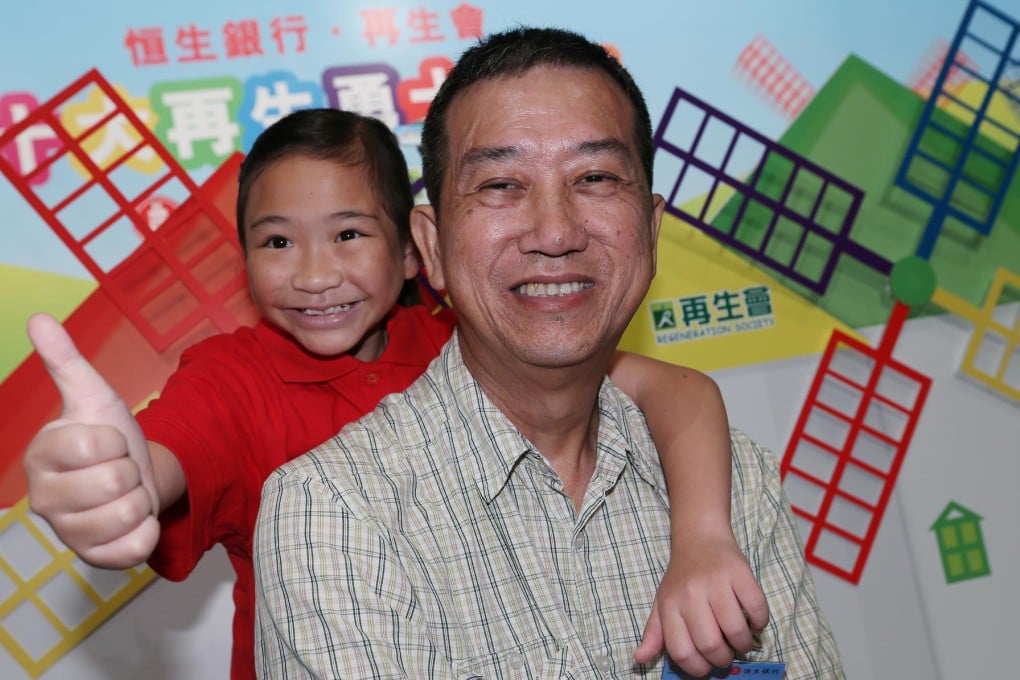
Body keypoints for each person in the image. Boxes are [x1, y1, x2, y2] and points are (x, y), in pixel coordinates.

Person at [24, 108, 767, 679]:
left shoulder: (464, 341)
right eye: (276, 242)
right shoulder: (233, 377)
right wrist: (112, 478)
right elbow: (159, 460)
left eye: (348, 234)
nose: (314, 274)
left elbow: (676, 390)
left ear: (415, 248)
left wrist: (701, 540)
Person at [253, 27, 844, 679]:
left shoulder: (736, 486)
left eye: (594, 176)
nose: (556, 232)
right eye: (502, 184)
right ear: (434, 245)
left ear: (651, 230)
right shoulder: (335, 510)